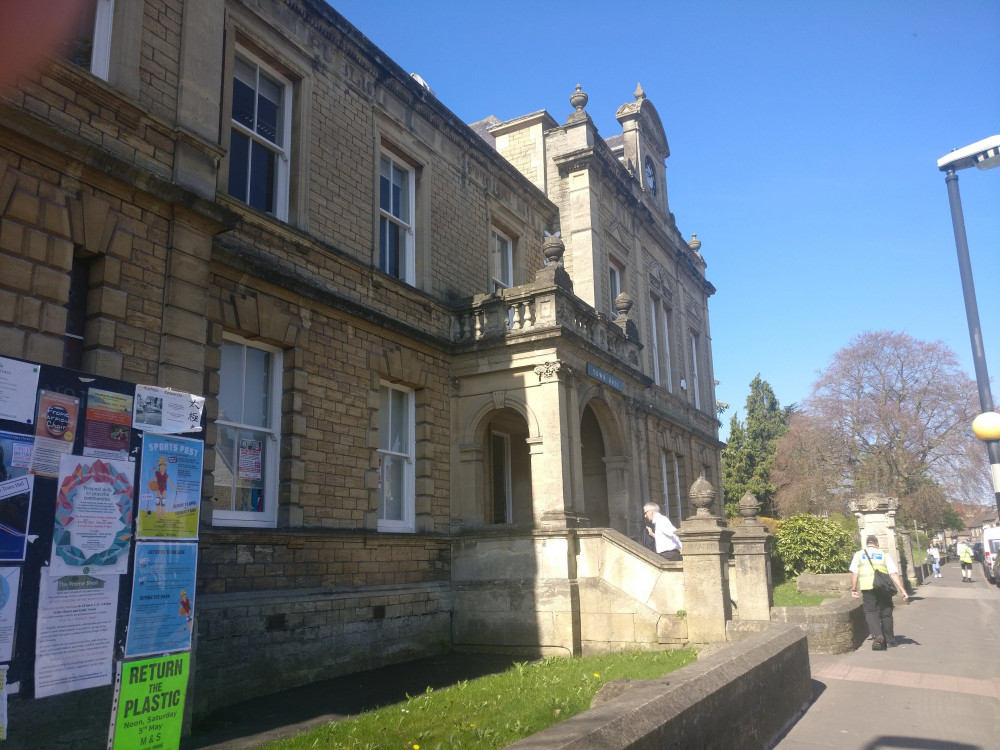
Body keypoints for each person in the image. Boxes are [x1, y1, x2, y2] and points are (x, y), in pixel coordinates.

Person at [849, 534, 909, 650]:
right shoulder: (883, 555)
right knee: (886, 613)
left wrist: (854, 589)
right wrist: (903, 591)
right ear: (877, 544)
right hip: (883, 587)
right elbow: (893, 574)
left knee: (871, 612)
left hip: (868, 587)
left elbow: (854, 573)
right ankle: (890, 640)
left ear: (867, 544)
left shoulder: (859, 554)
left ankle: (878, 635)